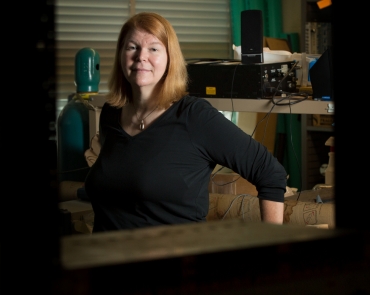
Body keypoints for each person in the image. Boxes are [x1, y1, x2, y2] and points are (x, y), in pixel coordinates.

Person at [84, 12, 287, 232]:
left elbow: (269, 172)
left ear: (170, 58)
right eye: (132, 47)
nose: (141, 56)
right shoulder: (110, 114)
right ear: (121, 55)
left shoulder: (194, 117)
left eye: (153, 48)